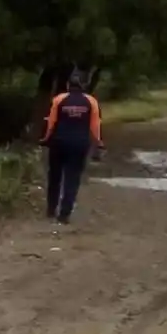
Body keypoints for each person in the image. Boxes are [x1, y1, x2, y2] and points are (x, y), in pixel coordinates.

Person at [39, 71, 104, 225]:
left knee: (54, 176)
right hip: (79, 144)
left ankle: (51, 209)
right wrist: (99, 142)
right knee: (72, 178)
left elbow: (51, 123)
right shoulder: (91, 102)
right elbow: (95, 126)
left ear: (68, 85)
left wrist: (46, 138)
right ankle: (64, 214)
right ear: (84, 85)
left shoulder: (59, 99)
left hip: (59, 142)